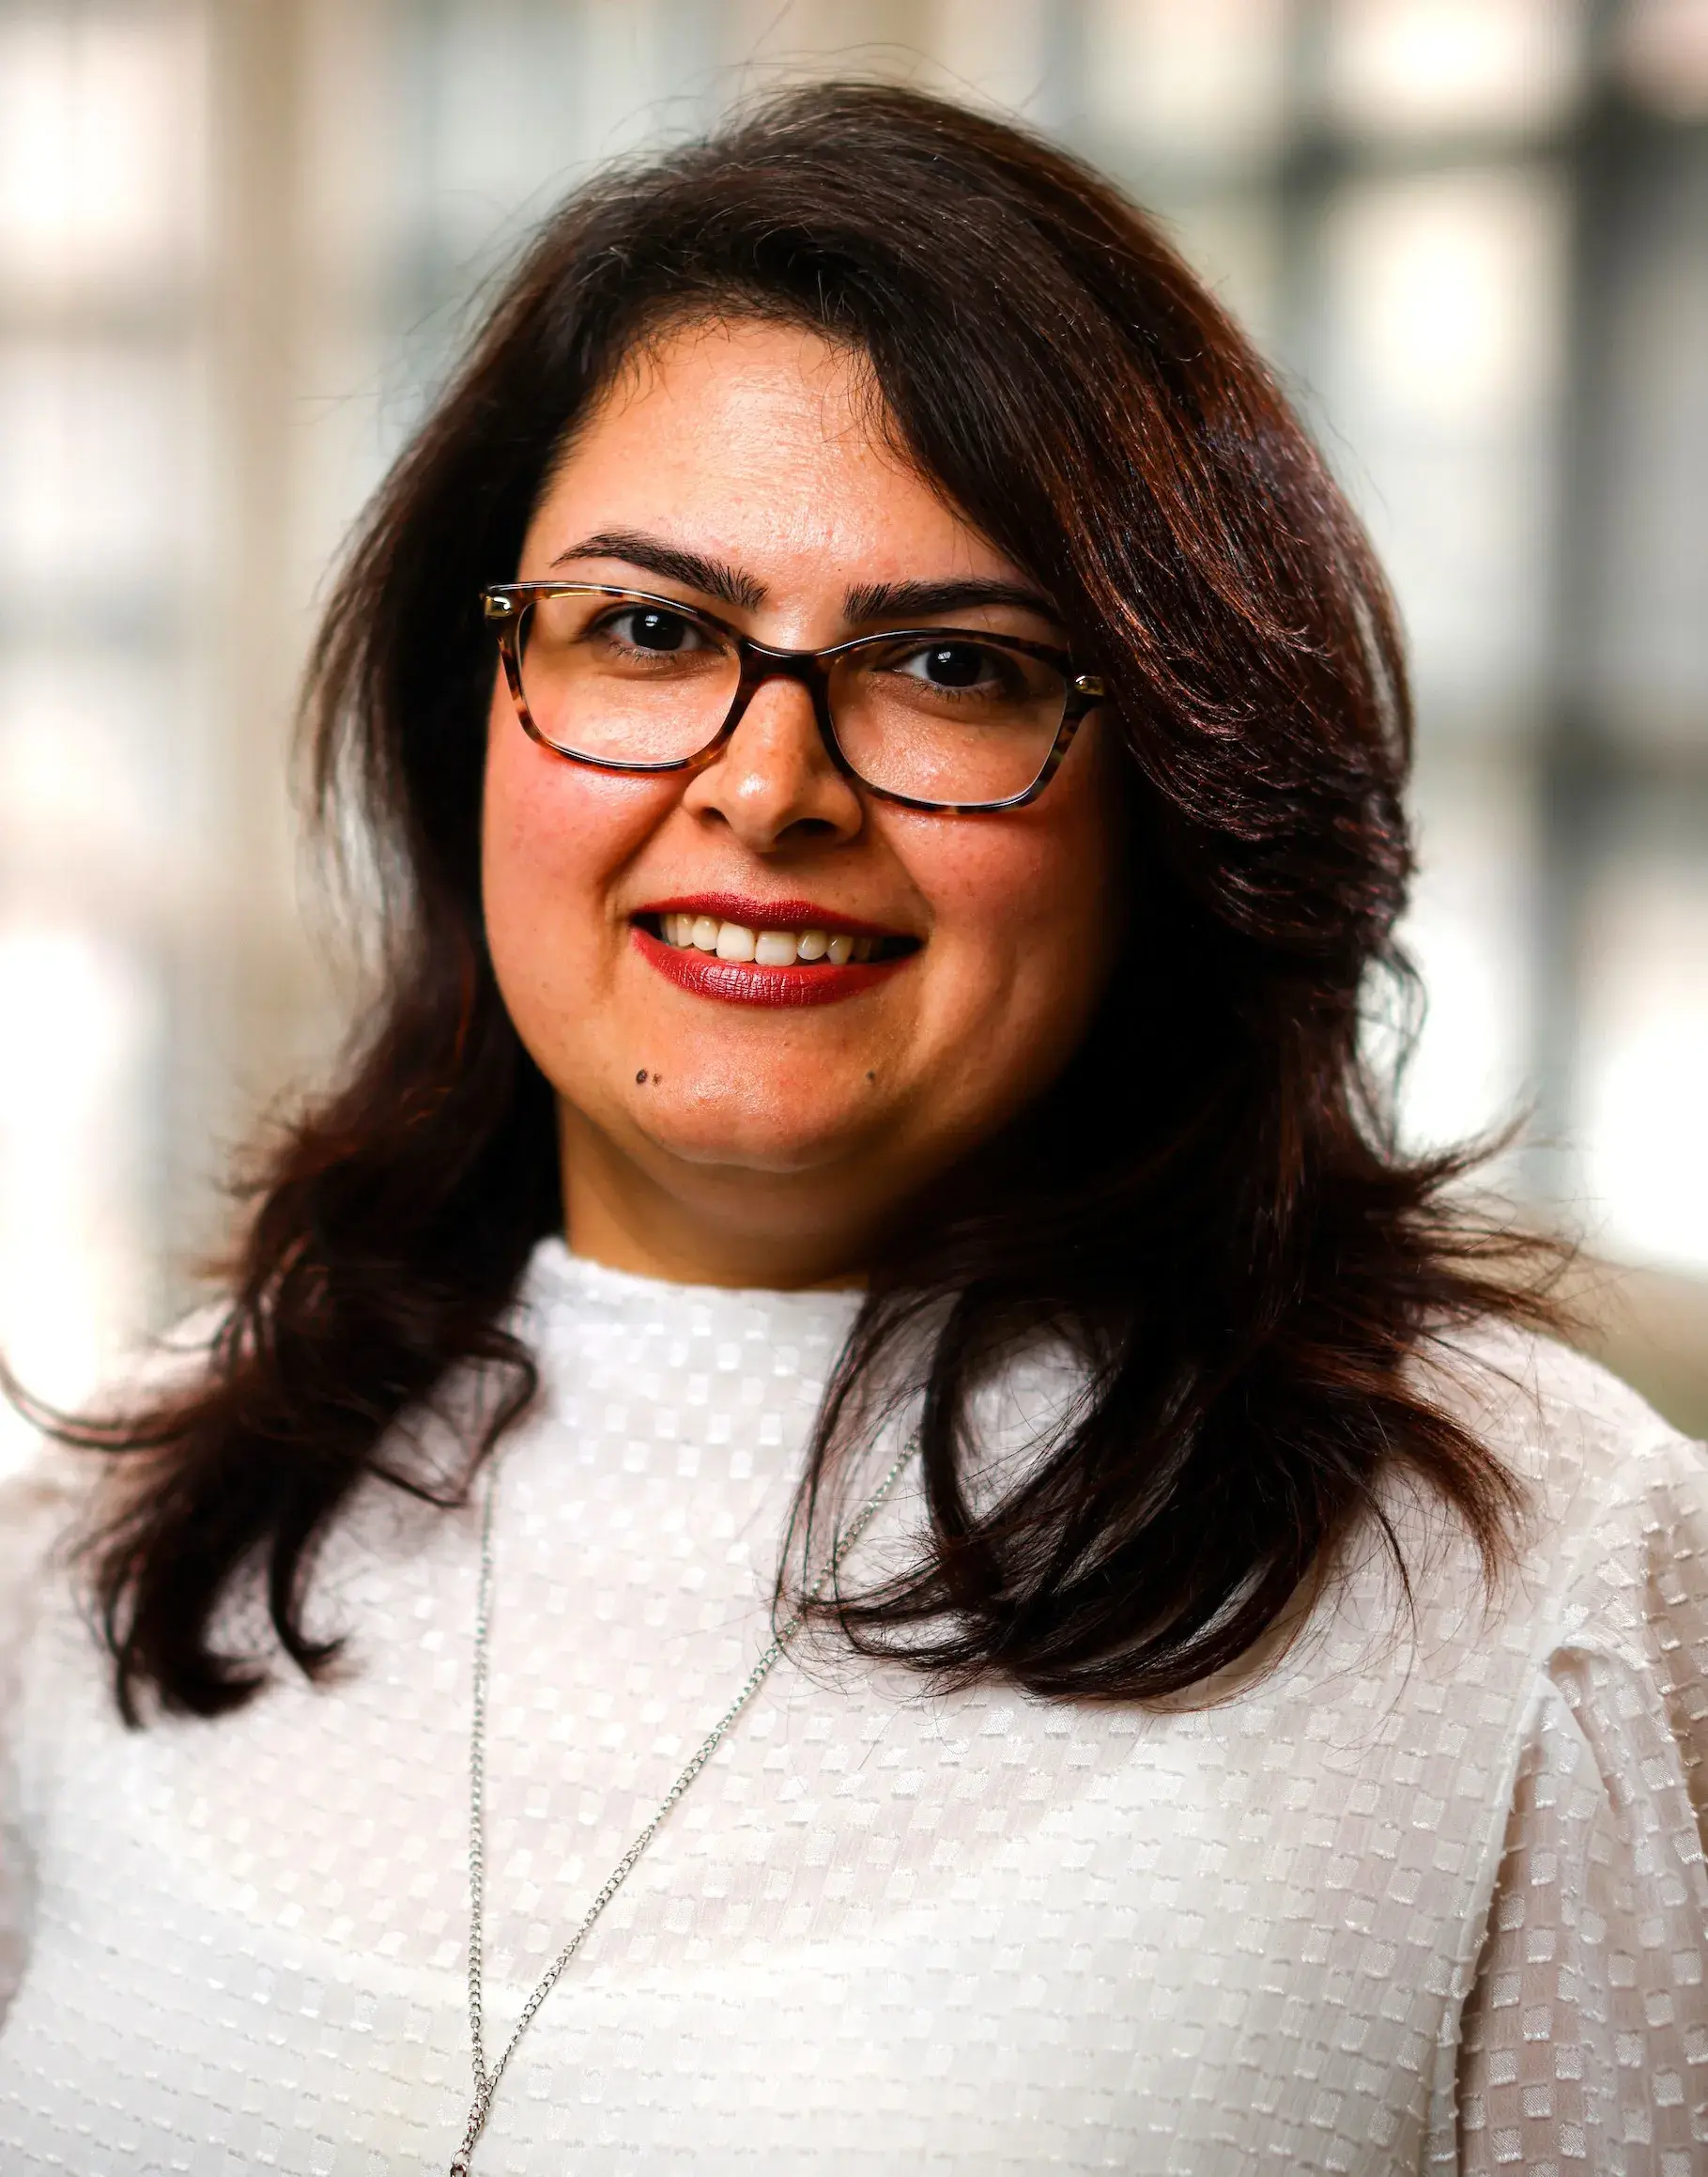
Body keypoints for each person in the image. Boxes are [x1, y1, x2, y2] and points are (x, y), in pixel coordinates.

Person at [2, 81, 1703, 2176]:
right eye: (647, 631)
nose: (770, 785)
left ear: (1173, 787)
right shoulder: (123, 1539)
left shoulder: (1534, 1585)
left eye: (953, 667)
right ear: (475, 726)